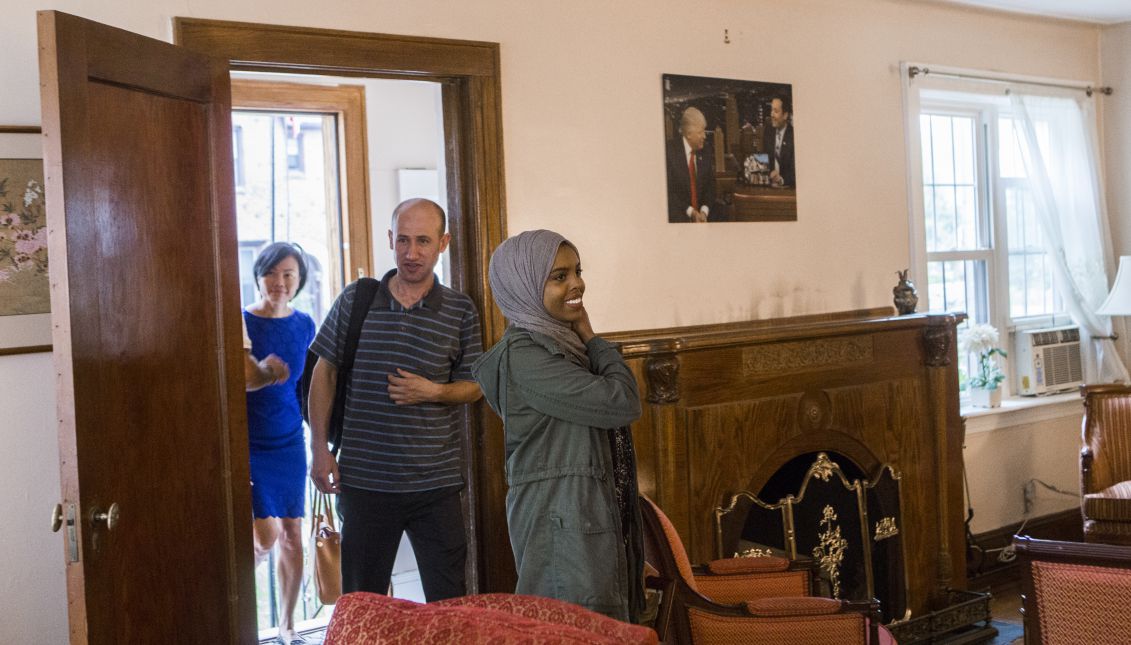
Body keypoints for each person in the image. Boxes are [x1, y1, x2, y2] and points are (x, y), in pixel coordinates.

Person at [307, 198, 483, 602]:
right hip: (365, 485)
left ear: (444, 243)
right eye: (403, 240)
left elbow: (475, 385)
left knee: (449, 603)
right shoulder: (357, 300)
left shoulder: (460, 310)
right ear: (390, 239)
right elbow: (324, 372)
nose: (411, 252)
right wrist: (319, 449)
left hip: (436, 487)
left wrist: (433, 390)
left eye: (423, 241)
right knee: (362, 604)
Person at [472, 229, 645, 622]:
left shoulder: (560, 346)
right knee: (570, 627)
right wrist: (592, 336)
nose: (577, 284)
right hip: (563, 525)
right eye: (559, 276)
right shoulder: (527, 357)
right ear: (525, 286)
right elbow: (622, 402)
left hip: (583, 516)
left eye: (577, 271)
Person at [242, 242, 317, 645]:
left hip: (289, 440)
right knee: (264, 536)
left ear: (299, 280)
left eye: (289, 274)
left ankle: (287, 626)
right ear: (259, 276)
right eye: (272, 273)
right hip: (250, 442)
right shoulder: (241, 321)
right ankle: (234, 610)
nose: (280, 282)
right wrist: (264, 373)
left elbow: (306, 386)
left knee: (292, 533)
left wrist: (322, 440)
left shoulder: (305, 324)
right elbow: (243, 380)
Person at [666, 106, 717, 223]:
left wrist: (704, 211)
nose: (704, 136)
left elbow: (710, 186)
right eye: (700, 132)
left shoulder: (706, 150)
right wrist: (691, 212)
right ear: (689, 134)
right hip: (679, 215)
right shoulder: (669, 152)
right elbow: (669, 193)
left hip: (703, 215)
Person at [762, 95, 796, 188]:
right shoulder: (768, 131)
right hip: (769, 188)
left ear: (785, 115)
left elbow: (796, 172)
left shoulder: (794, 135)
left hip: (788, 190)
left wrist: (781, 179)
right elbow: (764, 161)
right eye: (771, 110)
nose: (772, 114)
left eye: (776, 111)